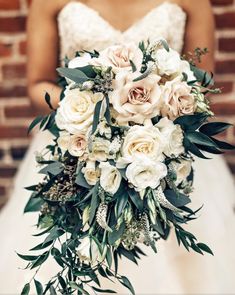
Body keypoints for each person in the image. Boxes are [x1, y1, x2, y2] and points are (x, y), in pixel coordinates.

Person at [0, 0, 235, 293]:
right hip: (78, 145)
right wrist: (96, 110)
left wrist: (151, 111)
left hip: (164, 146)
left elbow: (200, 85)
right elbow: (39, 83)